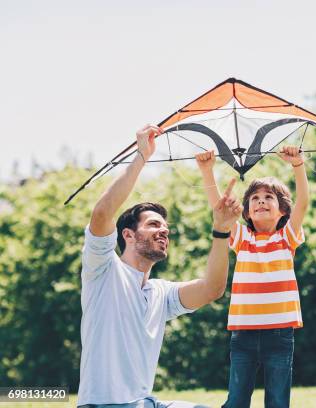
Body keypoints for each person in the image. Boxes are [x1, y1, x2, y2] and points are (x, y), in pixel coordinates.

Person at [77, 125, 242, 408]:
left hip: (146, 403)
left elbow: (212, 289)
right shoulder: (103, 270)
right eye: (154, 224)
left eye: (166, 227)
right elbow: (103, 213)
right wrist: (142, 155)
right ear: (127, 235)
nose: (164, 231)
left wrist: (221, 230)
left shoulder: (160, 293)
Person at [195, 146, 309, 408]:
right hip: (243, 333)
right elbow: (219, 208)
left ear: (283, 211)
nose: (260, 201)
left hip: (280, 334)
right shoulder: (242, 238)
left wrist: (298, 166)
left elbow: (303, 202)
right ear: (246, 212)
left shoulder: (286, 237)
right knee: (236, 401)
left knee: (278, 402)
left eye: (269, 197)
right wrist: (207, 172)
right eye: (254, 198)